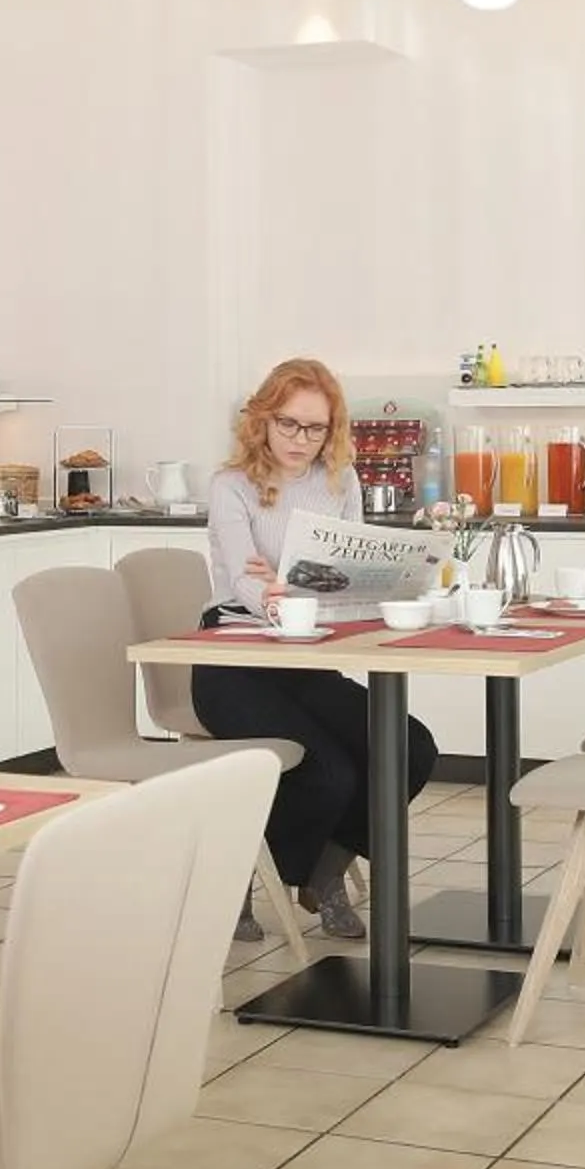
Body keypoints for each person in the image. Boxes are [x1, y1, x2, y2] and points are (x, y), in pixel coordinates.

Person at [194, 357, 437, 940]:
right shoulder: (232, 487)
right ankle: (243, 885)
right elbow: (247, 584)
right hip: (235, 661)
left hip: (305, 657)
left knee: (409, 747)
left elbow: (348, 577)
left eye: (316, 428)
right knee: (329, 774)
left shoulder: (341, 481)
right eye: (288, 424)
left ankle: (321, 875)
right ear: (262, 419)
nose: (301, 440)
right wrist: (289, 588)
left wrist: (290, 579)